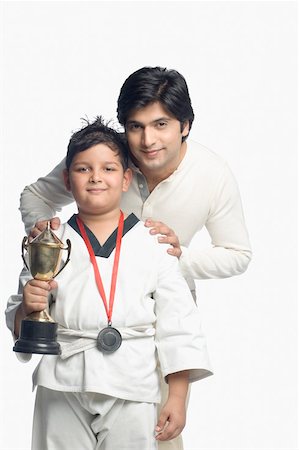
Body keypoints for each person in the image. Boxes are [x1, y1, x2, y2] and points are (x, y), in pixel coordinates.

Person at [18, 66, 252, 450]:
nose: (147, 140)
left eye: (161, 124)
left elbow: (238, 255)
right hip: (74, 333)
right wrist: (44, 242)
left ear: (185, 125)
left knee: (159, 436)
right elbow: (34, 195)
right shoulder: (103, 155)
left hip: (151, 322)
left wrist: (179, 257)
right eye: (135, 126)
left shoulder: (213, 174)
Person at [6, 117, 212, 450]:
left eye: (109, 169)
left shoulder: (154, 242)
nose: (96, 178)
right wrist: (27, 307)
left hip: (134, 382)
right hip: (63, 381)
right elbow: (19, 317)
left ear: (127, 178)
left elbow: (179, 323)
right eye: (83, 169)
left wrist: (177, 394)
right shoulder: (48, 241)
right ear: (67, 180)